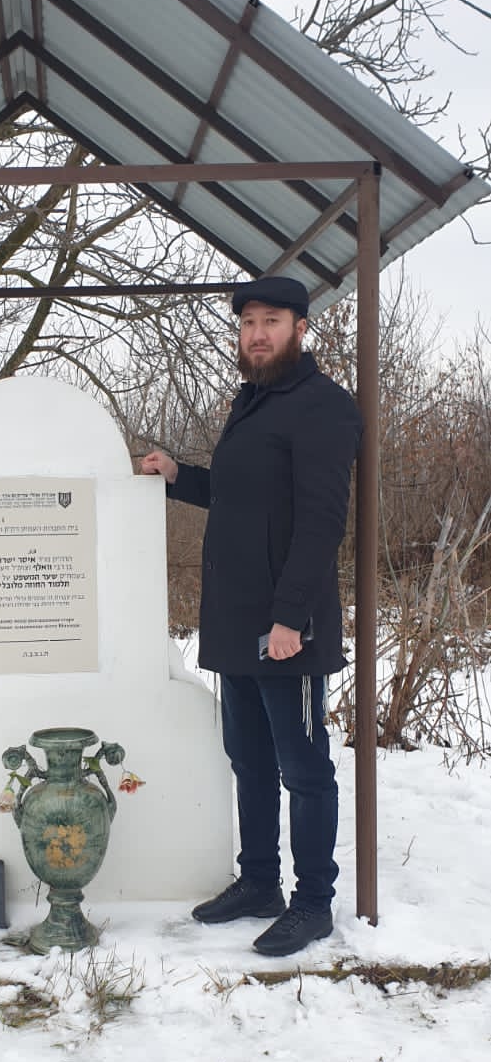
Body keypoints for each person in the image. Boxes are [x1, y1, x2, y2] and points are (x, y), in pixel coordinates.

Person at [142, 276, 362, 957]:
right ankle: (259, 883)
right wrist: (181, 476)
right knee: (249, 761)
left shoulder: (321, 405)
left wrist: (290, 618)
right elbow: (245, 501)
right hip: (234, 625)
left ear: (301, 328)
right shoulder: (252, 402)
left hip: (284, 629)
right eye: (247, 324)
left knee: (302, 768)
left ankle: (313, 902)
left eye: (271, 321)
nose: (256, 334)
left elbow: (321, 520)